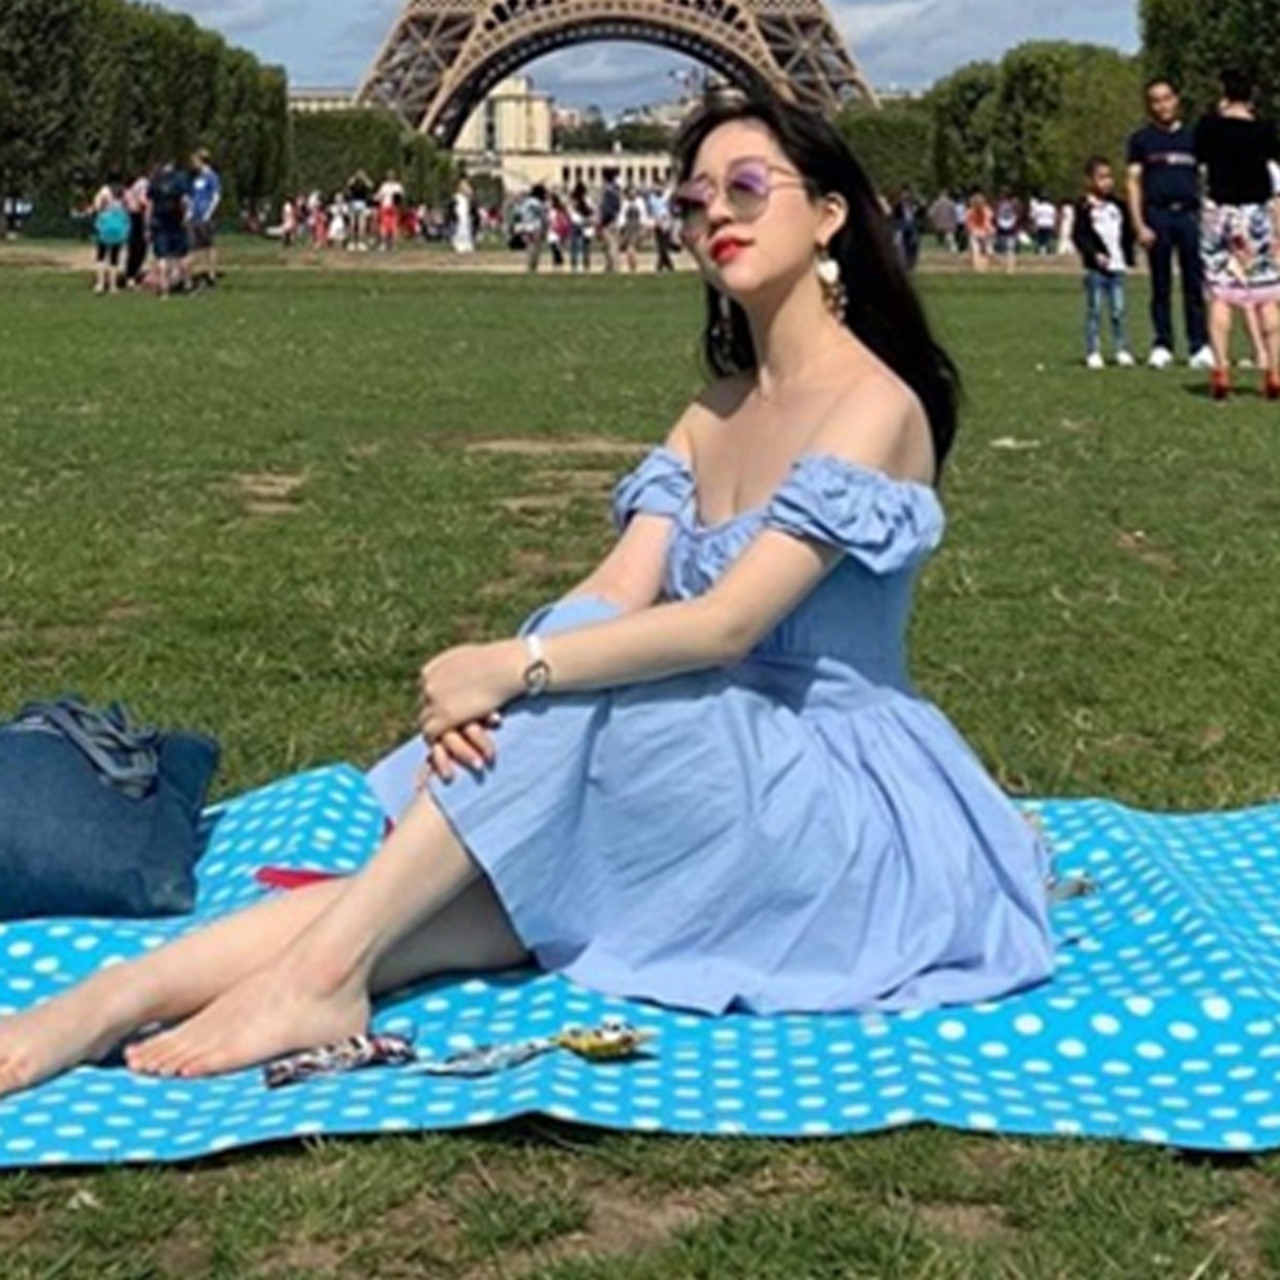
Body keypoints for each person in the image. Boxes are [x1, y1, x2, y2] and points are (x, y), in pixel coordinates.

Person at [0, 91, 1055, 1099]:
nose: (715, 216)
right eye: (694, 199)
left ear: (827, 214)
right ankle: (115, 997)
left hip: (833, 797)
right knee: (462, 899)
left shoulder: (874, 405)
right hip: (715, 767)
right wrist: (502, 689)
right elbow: (616, 589)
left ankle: (317, 975)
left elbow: (728, 623)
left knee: (544, 718)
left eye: (746, 186)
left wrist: (519, 668)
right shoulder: (714, 411)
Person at [1193, 68, 1280, 400]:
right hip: (1255, 213)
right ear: (1252, 95)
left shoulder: (1209, 126)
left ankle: (1221, 367)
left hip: (1220, 211)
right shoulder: (1265, 129)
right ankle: (1273, 369)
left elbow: (1200, 160)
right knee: (1266, 295)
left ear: (1224, 93)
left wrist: (1218, 113)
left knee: (1220, 292)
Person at [1126, 80, 1214, 370]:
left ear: (1176, 100)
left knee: (1194, 283)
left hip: (1188, 216)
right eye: (1155, 100)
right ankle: (1162, 344)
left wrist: (1209, 216)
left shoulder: (1194, 138)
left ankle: (1199, 345)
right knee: (1160, 284)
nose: (1162, 105)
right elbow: (1133, 182)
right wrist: (1139, 224)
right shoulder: (1141, 140)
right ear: (1149, 105)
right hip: (1158, 216)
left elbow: (1205, 178)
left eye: (1166, 98)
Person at [1072, 156, 1136, 369]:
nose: (1107, 182)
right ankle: (1093, 350)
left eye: (1109, 177)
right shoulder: (1084, 207)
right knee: (1095, 310)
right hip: (1096, 269)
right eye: (1101, 177)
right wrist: (1094, 253)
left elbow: (1127, 232)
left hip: (1117, 266)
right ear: (1090, 180)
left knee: (1118, 310)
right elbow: (1080, 235)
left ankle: (1122, 349)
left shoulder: (1118, 206)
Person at [147, 160, 190, 297]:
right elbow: (184, 201)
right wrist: (185, 217)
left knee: (161, 257)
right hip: (176, 222)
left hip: (159, 222)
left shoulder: (155, 181)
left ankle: (164, 288)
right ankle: (186, 285)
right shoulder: (179, 179)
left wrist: (147, 225)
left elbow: (149, 205)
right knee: (182, 255)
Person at [90, 176, 130, 295]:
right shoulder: (124, 191)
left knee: (101, 255)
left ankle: (100, 283)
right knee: (115, 257)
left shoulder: (104, 191)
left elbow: (97, 206)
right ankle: (113, 285)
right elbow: (128, 207)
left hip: (104, 224)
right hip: (119, 225)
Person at [188, 149, 221, 291]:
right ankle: (196, 273)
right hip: (195, 216)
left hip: (206, 216)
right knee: (195, 246)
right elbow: (193, 197)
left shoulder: (211, 176)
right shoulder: (197, 178)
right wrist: (190, 212)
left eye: (195, 160)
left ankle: (211, 273)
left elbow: (216, 196)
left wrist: (209, 212)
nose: (193, 163)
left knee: (209, 245)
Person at [597, 167, 622, 272]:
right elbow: (618, 205)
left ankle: (613, 266)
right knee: (612, 244)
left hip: (607, 220)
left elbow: (604, 207)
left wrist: (601, 220)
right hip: (614, 218)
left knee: (610, 244)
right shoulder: (616, 189)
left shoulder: (606, 190)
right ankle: (611, 265)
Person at [375, 171, 404, 251]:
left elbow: (379, 196)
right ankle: (388, 244)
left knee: (389, 226)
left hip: (389, 206)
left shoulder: (386, 186)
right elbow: (400, 197)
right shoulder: (397, 186)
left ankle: (388, 244)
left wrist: (376, 199)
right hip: (388, 206)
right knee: (388, 226)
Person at [965, 192, 994, 271]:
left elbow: (968, 224)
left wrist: (970, 230)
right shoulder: (987, 210)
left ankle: (978, 267)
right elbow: (989, 222)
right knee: (986, 251)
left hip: (975, 232)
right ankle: (984, 267)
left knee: (976, 250)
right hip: (984, 232)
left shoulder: (969, 211)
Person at [452, 177, 475, 255]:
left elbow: (470, 193)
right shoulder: (458, 196)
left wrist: (469, 192)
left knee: (467, 225)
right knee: (462, 225)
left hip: (465, 210)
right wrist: (467, 191)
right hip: (460, 210)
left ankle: (467, 243)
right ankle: (458, 242)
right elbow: (468, 192)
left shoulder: (465, 196)